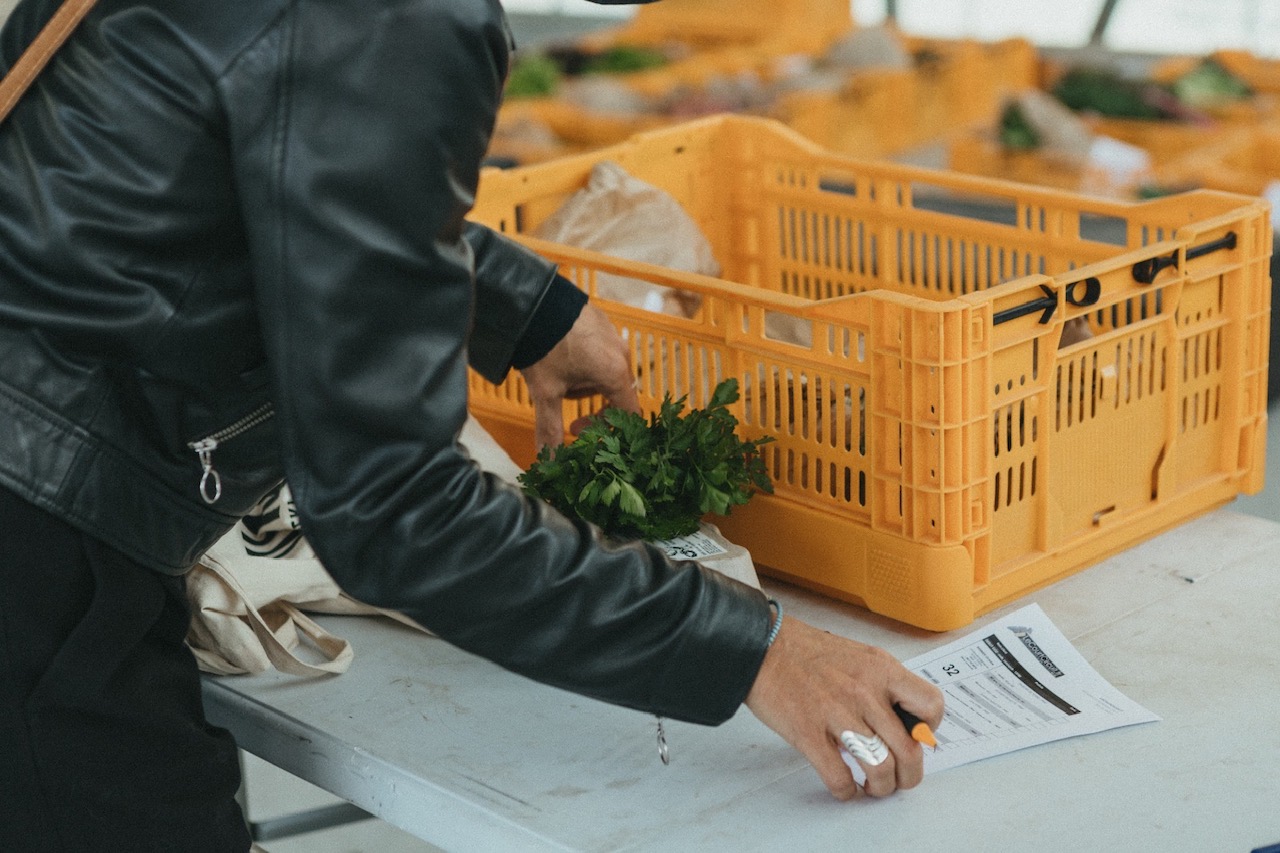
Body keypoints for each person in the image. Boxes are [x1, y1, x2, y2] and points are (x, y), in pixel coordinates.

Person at [0, 0, 943, 848]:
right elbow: (394, 512)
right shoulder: (394, 20)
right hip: (42, 557)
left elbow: (262, 153)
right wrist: (759, 651)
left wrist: (522, 308)